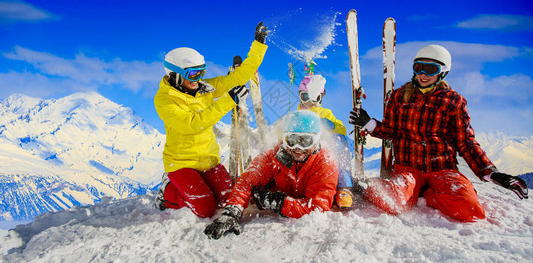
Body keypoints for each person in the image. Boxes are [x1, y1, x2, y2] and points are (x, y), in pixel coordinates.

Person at [348, 44, 528, 222]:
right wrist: (368, 123)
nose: (423, 74)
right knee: (394, 202)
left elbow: (465, 142)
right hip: (408, 168)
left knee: (471, 211)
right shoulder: (399, 97)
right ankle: (374, 187)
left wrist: (492, 174)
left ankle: (428, 193)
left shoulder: (453, 102)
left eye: (430, 69)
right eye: (418, 68)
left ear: (442, 72)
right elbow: (390, 132)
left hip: (442, 170)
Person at [153, 22, 269, 218]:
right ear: (174, 75)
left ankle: (199, 187)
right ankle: (167, 192)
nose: (198, 78)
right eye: (192, 73)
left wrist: (258, 46)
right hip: (182, 163)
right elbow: (192, 124)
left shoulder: (202, 88)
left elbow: (238, 77)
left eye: (201, 72)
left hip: (208, 160)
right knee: (205, 209)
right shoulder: (165, 100)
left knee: (228, 201)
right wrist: (228, 100)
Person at [204, 110, 338, 239]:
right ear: (284, 139)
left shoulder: (325, 163)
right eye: (292, 140)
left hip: (294, 199)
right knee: (253, 185)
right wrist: (232, 212)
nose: (298, 148)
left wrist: (279, 203)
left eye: (306, 141)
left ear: (316, 141)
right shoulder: (274, 155)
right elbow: (247, 181)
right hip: (278, 188)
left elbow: (317, 208)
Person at [297, 74, 354, 208]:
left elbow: (343, 130)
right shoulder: (297, 116)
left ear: (320, 98)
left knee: (339, 140)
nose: (309, 102)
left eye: (314, 97)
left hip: (322, 152)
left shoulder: (326, 113)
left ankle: (344, 187)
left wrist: (332, 126)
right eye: (305, 97)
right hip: (304, 153)